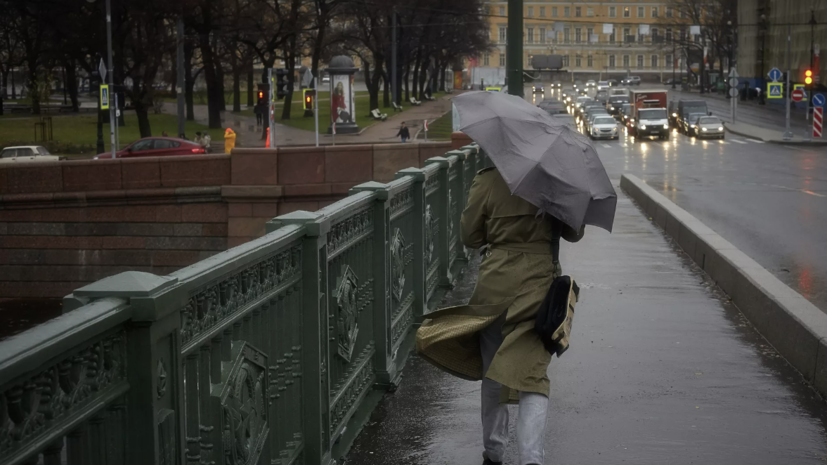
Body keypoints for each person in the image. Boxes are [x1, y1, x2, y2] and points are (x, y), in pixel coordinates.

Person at [417, 166, 584, 465]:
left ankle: (493, 452)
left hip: (495, 287)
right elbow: (574, 233)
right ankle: (531, 459)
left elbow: (470, 236)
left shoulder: (489, 178)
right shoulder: (556, 179)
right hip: (539, 287)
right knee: (533, 376)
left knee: (492, 371)